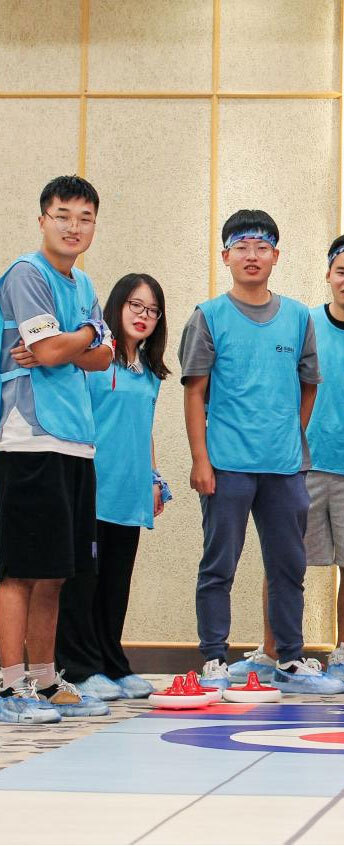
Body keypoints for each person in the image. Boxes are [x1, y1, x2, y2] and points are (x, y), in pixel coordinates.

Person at [229, 232, 344, 687]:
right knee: (283, 563)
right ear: (328, 274)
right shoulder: (300, 322)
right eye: (341, 271)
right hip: (298, 466)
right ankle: (273, 652)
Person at [180, 209, 343, 695]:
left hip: (285, 467)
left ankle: (289, 659)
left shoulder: (297, 316)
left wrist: (290, 433)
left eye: (262, 246)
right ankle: (214, 659)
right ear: (225, 256)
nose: (252, 255)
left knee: (288, 567)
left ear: (276, 256)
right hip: (226, 465)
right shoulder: (208, 316)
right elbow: (194, 392)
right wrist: (200, 459)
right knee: (219, 566)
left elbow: (309, 384)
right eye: (242, 246)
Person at [0, 175, 114, 723]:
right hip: (28, 437)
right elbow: (47, 352)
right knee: (19, 570)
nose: (74, 227)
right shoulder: (27, 273)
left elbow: (105, 356)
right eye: (63, 215)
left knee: (55, 571)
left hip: (75, 441)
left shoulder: (83, 282)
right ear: (42, 219)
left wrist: (77, 341)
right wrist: (87, 333)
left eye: (84, 218)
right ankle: (9, 686)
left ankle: (45, 681)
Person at [55, 274, 171, 702]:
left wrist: (154, 479)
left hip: (129, 493)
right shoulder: (93, 362)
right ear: (117, 306)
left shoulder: (150, 373)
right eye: (135, 305)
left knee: (115, 586)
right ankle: (79, 668)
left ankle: (111, 664)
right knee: (83, 586)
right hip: (90, 490)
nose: (144, 316)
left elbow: (144, 430)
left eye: (152, 310)